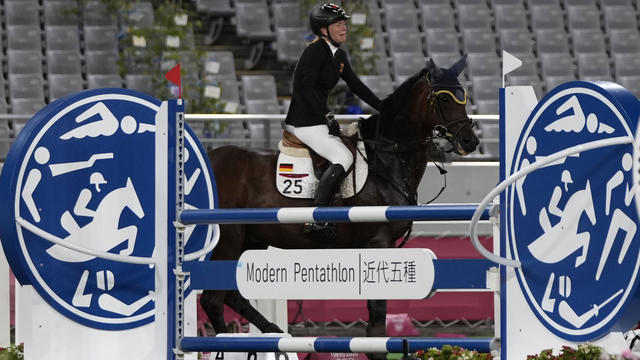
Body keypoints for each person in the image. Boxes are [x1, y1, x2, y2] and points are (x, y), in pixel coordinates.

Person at [284, 3, 382, 238]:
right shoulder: (314, 51)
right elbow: (303, 90)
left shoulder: (338, 54)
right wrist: (327, 116)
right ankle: (316, 219)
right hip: (305, 121)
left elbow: (356, 85)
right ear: (324, 28)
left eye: (344, 22)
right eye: (338, 23)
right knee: (343, 156)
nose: (344, 27)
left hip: (318, 119)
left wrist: (384, 107)